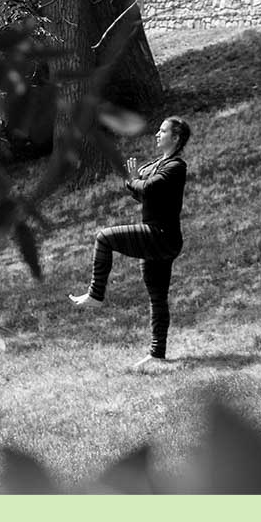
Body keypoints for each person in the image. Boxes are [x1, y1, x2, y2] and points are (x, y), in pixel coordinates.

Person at [68, 117, 191, 372]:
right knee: (157, 298)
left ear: (176, 137)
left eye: (163, 130)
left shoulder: (176, 166)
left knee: (104, 237)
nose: (157, 133)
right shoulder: (160, 164)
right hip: (159, 238)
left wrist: (134, 180)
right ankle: (157, 355)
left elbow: (147, 187)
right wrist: (131, 180)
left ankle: (95, 295)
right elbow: (141, 191)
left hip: (161, 236)